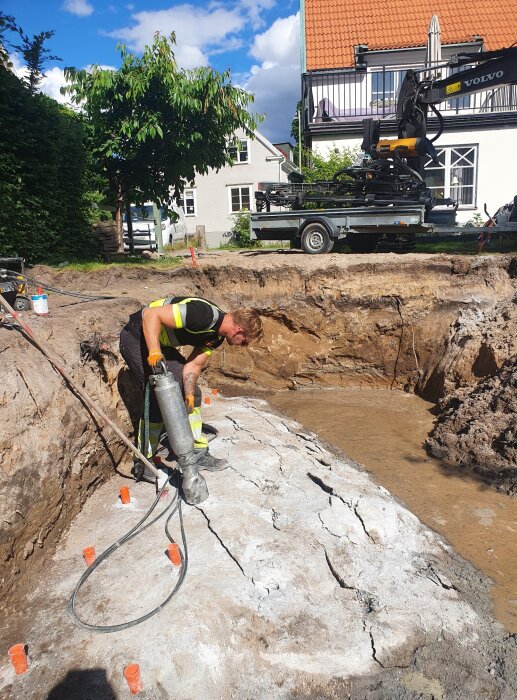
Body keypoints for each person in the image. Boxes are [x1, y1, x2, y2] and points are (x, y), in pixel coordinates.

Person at [119, 295, 263, 483]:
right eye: (244, 341)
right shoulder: (202, 315)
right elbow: (151, 315)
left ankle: (197, 452)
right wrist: (154, 351)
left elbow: (193, 366)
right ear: (239, 331)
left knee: (193, 394)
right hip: (137, 337)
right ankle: (143, 462)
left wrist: (187, 393)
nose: (242, 346)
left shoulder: (215, 336)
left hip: (159, 343)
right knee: (157, 400)